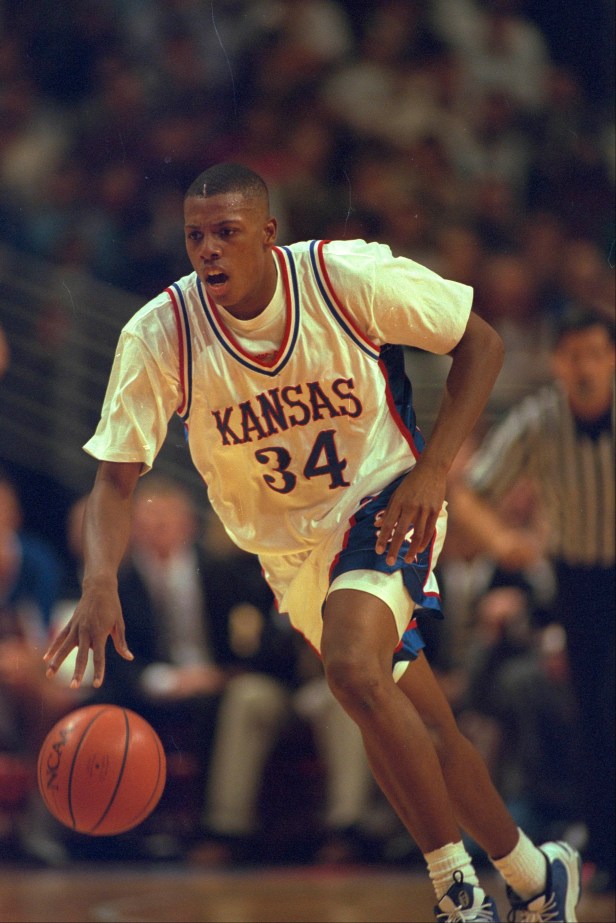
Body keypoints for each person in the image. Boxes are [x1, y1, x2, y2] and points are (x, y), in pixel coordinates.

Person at [44, 162, 581, 922]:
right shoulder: (160, 332)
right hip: (289, 555)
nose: (209, 251)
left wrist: (431, 475)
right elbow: (115, 479)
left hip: (385, 501)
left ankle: (457, 893)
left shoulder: (343, 277)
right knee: (416, 721)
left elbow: (481, 344)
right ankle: (535, 874)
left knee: (355, 668)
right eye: (195, 236)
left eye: (227, 233)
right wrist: (99, 578)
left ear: (269, 234)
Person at [450, 305, 615, 895]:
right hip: (579, 579)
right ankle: (602, 848)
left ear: (612, 359)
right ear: (557, 362)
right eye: (575, 357)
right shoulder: (541, 419)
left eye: (596, 354)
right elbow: (469, 490)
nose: (586, 367)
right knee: (592, 716)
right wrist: (501, 541)